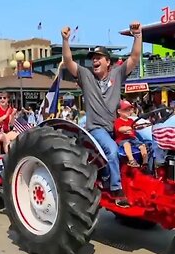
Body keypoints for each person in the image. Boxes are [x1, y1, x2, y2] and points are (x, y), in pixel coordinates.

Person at [61, 21, 142, 207]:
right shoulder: (85, 76)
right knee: (112, 151)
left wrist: (137, 35)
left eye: (99, 58)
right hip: (96, 129)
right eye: (93, 58)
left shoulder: (117, 74)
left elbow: (135, 57)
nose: (94, 61)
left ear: (108, 62)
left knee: (146, 144)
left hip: (115, 127)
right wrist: (65, 40)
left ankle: (142, 184)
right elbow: (68, 61)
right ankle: (116, 190)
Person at [114, 100, 148, 168]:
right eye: (126, 110)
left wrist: (143, 126)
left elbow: (137, 126)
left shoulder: (131, 120)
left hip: (133, 139)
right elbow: (120, 129)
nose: (129, 112)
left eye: (129, 110)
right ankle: (131, 160)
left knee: (142, 146)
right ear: (119, 111)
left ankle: (145, 163)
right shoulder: (118, 121)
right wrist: (128, 128)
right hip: (122, 139)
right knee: (127, 144)